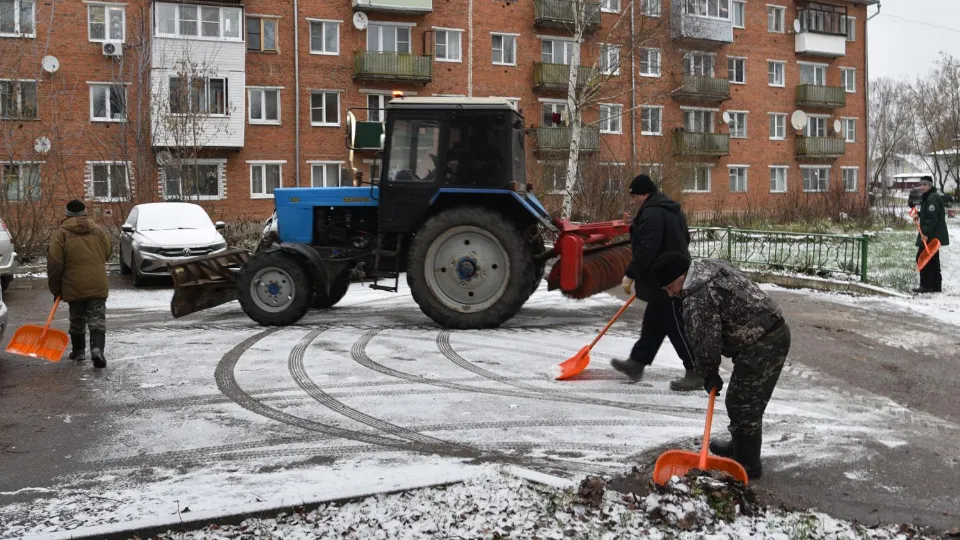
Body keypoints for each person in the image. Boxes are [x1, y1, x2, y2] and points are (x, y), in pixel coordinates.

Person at [650, 251, 791, 479]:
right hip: (767, 331)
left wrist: (708, 374)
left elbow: (706, 343)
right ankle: (739, 447)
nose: (670, 294)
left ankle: (747, 464)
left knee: (743, 403)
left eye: (669, 287)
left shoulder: (697, 296)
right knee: (739, 398)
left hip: (764, 341)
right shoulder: (705, 267)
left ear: (681, 276)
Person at [610, 174, 700, 392]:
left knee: (675, 324)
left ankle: (697, 370)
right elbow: (685, 238)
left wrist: (631, 274)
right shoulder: (671, 208)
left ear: (644, 194)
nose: (633, 201)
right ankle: (637, 362)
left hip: (668, 279)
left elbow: (646, 248)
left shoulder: (651, 213)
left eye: (634, 196)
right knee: (654, 320)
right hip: (673, 271)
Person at [47, 200, 113, 369]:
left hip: (73, 284)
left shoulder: (61, 233)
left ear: (67, 214)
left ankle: (79, 351)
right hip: (97, 283)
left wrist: (56, 289)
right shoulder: (98, 230)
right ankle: (97, 349)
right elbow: (107, 252)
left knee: (77, 318)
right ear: (85, 213)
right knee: (97, 318)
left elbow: (55, 263)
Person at [913, 176, 949, 294]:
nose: (922, 187)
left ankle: (926, 286)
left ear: (930, 185)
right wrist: (919, 214)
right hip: (934, 235)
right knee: (933, 259)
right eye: (921, 184)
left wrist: (926, 234)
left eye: (925, 184)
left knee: (922, 257)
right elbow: (928, 214)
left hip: (931, 235)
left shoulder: (932, 198)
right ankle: (936, 286)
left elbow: (931, 219)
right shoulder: (930, 196)